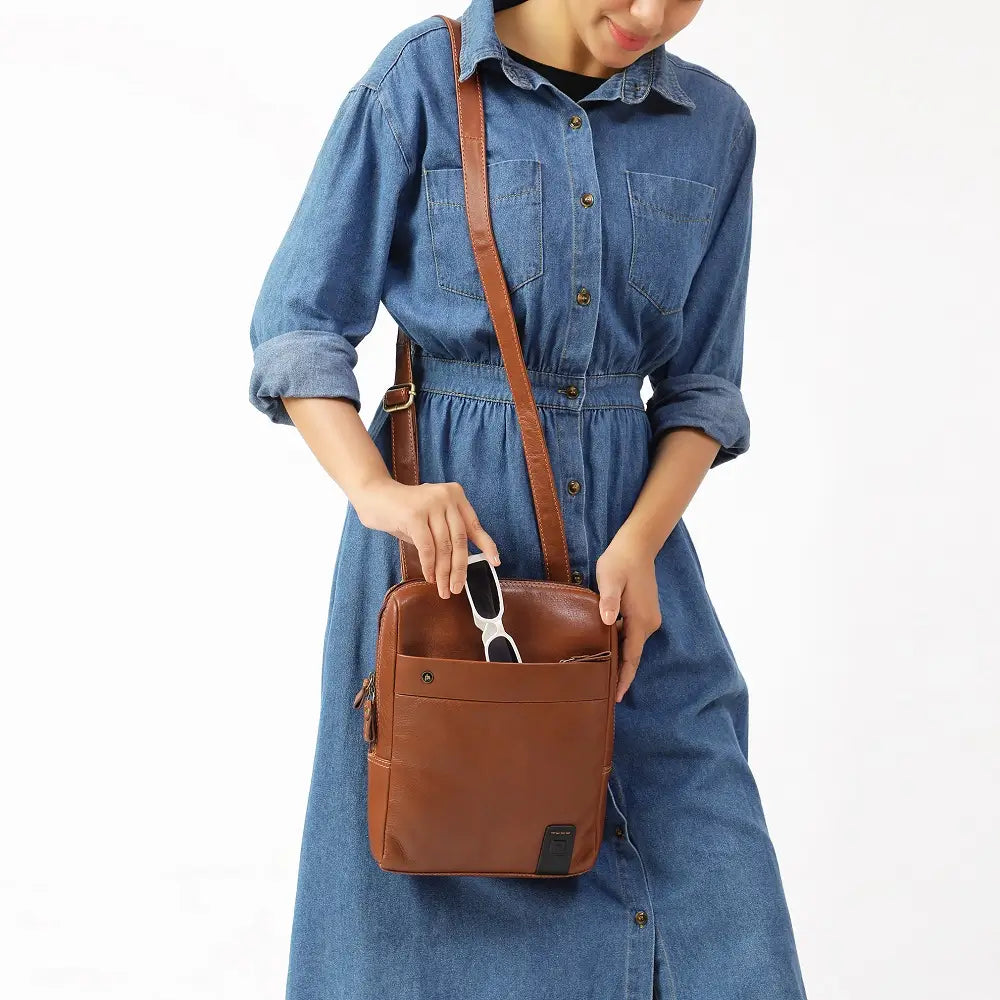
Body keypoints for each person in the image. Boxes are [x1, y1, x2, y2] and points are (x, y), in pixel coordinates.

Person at [247, 0, 809, 997]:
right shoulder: (422, 81)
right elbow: (299, 328)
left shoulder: (715, 124)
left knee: (720, 898)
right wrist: (377, 490)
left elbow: (702, 390)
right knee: (428, 871)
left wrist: (638, 541)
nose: (650, 13)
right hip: (451, 569)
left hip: (632, 580)